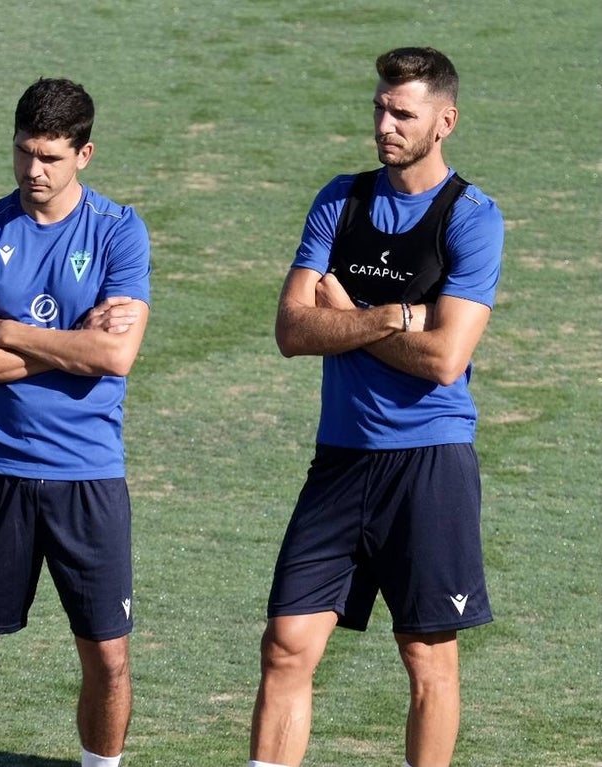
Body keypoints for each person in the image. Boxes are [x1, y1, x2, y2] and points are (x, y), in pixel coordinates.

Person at [248, 47, 504, 767]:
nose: (385, 125)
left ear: (444, 121)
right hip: (341, 460)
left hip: (429, 463)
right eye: (379, 110)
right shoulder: (341, 199)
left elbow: (446, 359)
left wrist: (351, 313)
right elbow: (292, 331)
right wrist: (395, 316)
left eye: (403, 113)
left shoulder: (472, 219)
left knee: (426, 656)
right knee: (286, 644)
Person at [0, 77, 151, 767]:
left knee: (108, 655)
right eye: (24, 153)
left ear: (84, 154)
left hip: (87, 477)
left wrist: (4, 328)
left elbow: (116, 354)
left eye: (51, 158)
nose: (34, 171)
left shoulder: (120, 230)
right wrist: (66, 351)